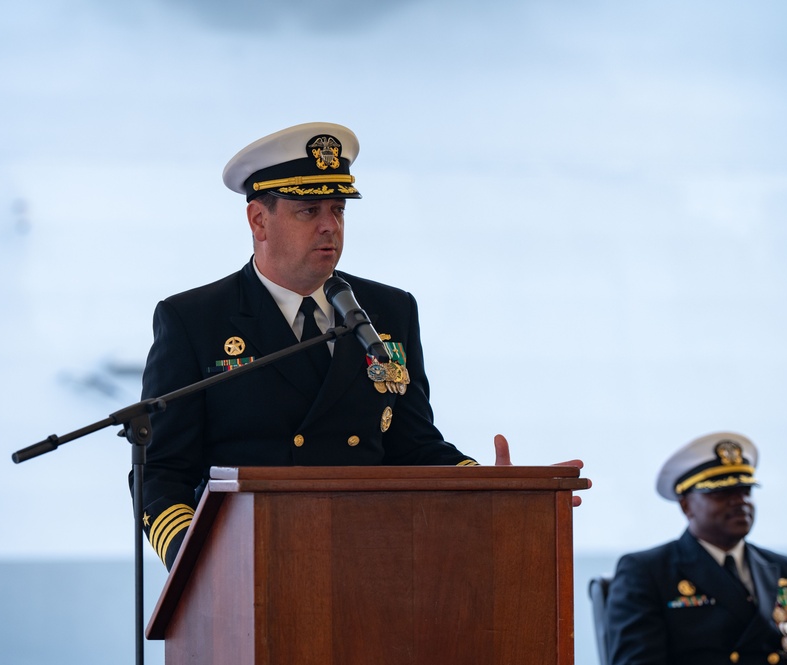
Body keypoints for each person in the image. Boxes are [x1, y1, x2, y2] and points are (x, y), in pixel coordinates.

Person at [134, 122, 586, 570]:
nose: (330, 226)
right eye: (309, 211)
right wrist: (193, 560)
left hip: (373, 562)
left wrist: (494, 490)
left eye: (339, 210)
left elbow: (412, 446)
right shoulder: (195, 319)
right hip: (251, 567)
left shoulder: (389, 311)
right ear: (258, 221)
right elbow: (162, 471)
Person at [604, 432, 787, 665]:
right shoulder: (648, 572)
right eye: (722, 492)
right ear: (686, 505)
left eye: (746, 490)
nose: (741, 501)